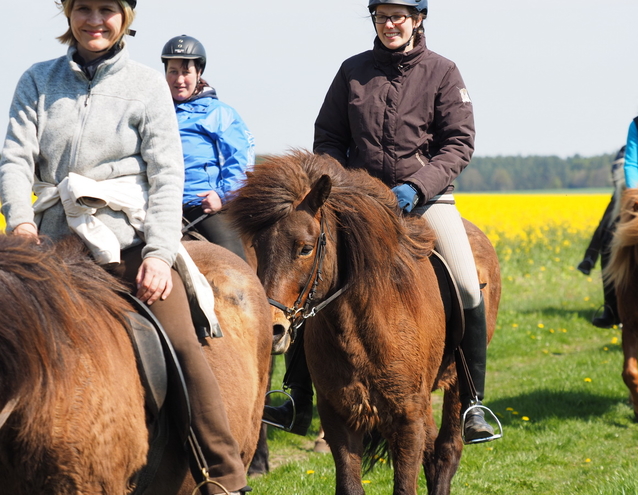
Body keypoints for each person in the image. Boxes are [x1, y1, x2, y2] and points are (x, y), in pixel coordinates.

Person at [0, 2, 249, 494]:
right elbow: (14, 160)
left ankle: (223, 474)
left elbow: (166, 174)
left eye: (107, 9)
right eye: (84, 8)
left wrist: (159, 254)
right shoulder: (36, 80)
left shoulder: (147, 84)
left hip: (129, 241)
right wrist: (22, 223)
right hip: (51, 248)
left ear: (125, 18)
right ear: (69, 14)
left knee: (181, 346)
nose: (95, 20)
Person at [264, 0, 498, 443]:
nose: (390, 24)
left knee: (467, 283)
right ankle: (296, 397)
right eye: (381, 16)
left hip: (426, 201)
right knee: (312, 279)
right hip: (358, 205)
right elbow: (329, 137)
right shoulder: (351, 70)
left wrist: (416, 187)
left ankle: (473, 403)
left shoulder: (443, 72)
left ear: (418, 20)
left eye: (399, 17)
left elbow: (458, 143)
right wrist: (345, 184)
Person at [161, 35, 255, 260]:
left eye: (186, 72)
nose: (179, 79)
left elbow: (241, 160)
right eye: (173, 71)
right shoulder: (154, 110)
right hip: (159, 205)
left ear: (199, 73)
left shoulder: (219, 113)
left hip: (201, 206)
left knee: (234, 266)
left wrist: (222, 197)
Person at [577, 146, 625, 328]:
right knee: (606, 227)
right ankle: (610, 309)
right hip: (625, 191)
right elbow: (618, 169)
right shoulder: (630, 145)